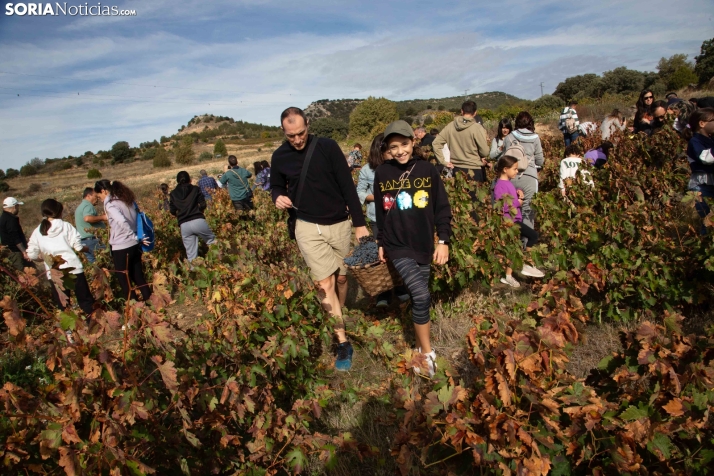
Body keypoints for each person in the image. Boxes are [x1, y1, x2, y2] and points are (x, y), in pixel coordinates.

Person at [270, 107, 369, 371]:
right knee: (324, 283)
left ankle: (340, 309)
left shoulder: (327, 147)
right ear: (284, 132)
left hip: (339, 223)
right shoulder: (279, 156)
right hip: (307, 225)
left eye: (301, 133)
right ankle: (342, 341)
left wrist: (359, 224)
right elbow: (277, 185)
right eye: (291, 136)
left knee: (342, 278)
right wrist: (276, 196)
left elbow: (348, 186)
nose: (297, 140)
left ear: (308, 125)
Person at [373, 120, 452, 377]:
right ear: (387, 148)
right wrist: (382, 242)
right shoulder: (382, 174)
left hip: (423, 244)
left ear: (413, 142)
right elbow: (381, 213)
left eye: (404, 144)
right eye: (393, 146)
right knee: (420, 295)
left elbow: (442, 208)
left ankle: (419, 344)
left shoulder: (427, 170)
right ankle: (426, 355)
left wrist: (443, 241)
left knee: (421, 296)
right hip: (397, 245)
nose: (400, 151)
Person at [356, 133, 410, 308]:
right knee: (382, 254)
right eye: (387, 149)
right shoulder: (367, 170)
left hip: (400, 216)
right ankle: (383, 292)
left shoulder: (400, 167)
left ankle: (401, 287)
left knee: (400, 251)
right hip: (376, 217)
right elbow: (359, 193)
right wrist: (376, 197)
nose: (391, 152)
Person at [26, 199, 96, 317]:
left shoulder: (38, 231)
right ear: (59, 212)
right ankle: (93, 326)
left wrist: (42, 259)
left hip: (55, 273)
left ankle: (69, 333)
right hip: (73, 268)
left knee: (63, 304)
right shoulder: (66, 226)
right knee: (85, 300)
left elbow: (31, 253)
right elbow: (78, 247)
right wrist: (86, 249)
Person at [94, 179, 152, 304]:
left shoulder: (110, 204)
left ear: (104, 191)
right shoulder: (126, 199)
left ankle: (134, 308)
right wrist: (136, 237)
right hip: (135, 244)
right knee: (138, 275)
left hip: (121, 246)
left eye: (99, 196)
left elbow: (121, 221)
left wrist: (132, 235)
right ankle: (150, 301)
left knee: (124, 279)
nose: (100, 199)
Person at [492, 153, 545, 288]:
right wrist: (519, 203)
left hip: (514, 220)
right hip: (510, 221)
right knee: (533, 236)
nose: (517, 171)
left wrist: (518, 191)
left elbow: (510, 195)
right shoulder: (499, 185)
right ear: (505, 169)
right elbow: (503, 205)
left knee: (515, 248)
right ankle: (526, 263)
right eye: (515, 169)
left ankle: (508, 276)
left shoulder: (507, 183)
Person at [502, 111, 544, 229]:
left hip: (510, 177)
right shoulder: (535, 138)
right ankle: (526, 243)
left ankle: (512, 242)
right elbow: (540, 161)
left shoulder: (509, 137)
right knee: (528, 211)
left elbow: (504, 158)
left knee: (510, 210)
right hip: (529, 178)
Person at [432, 100, 490, 183]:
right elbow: (485, 152)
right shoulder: (477, 128)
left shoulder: (450, 126)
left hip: (456, 170)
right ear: (475, 113)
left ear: (462, 111)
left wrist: (443, 162)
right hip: (474, 171)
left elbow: (436, 143)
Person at [170, 171, 216, 262]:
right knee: (212, 242)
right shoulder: (195, 189)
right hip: (198, 220)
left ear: (177, 181)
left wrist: (179, 214)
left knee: (191, 255)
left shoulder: (173, 194)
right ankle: (220, 265)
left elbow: (172, 211)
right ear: (190, 180)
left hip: (184, 225)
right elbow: (203, 204)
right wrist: (199, 210)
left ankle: (194, 274)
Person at [684, 108, 714, 234]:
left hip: (711, 182)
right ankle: (705, 240)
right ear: (702, 123)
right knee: (706, 217)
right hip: (700, 185)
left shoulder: (711, 140)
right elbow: (705, 158)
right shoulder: (695, 141)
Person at [74, 187, 107, 263]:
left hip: (85, 241)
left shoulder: (80, 207)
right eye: (95, 196)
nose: (97, 199)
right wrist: (103, 217)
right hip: (93, 241)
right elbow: (87, 218)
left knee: (95, 266)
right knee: (104, 263)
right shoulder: (88, 205)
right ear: (88, 196)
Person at [0, 197, 32, 271]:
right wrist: (24, 252)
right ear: (14, 207)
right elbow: (15, 237)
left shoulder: (3, 217)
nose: (18, 208)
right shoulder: (11, 220)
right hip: (15, 252)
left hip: (9, 251)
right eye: (18, 206)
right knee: (22, 273)